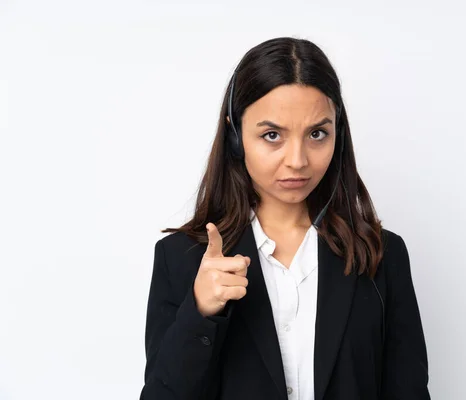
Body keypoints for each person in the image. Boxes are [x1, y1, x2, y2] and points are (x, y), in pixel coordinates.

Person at [140, 37, 430, 400]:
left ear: (338, 135)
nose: (297, 160)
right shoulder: (181, 259)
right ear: (235, 136)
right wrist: (200, 313)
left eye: (317, 134)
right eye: (272, 135)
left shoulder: (381, 254)